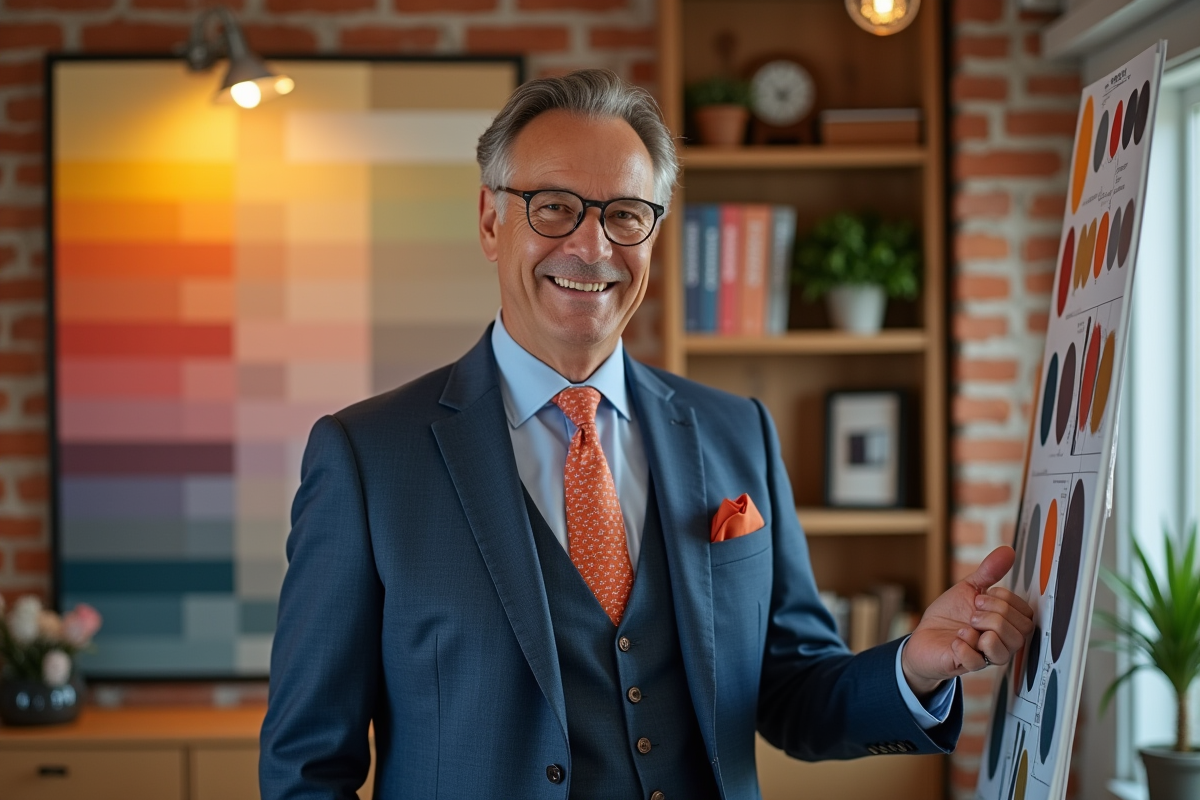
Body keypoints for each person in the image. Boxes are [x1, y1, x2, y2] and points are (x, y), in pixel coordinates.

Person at [260, 69, 1034, 800]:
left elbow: (795, 692)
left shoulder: (739, 433)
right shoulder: (368, 458)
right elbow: (307, 765)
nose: (592, 246)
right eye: (553, 206)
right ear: (492, 220)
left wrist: (917, 668)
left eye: (624, 214)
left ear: (655, 235)